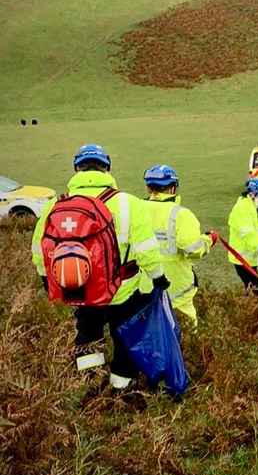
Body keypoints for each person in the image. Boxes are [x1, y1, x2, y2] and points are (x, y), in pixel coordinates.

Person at [31, 144, 165, 391]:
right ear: (107, 169)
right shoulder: (129, 203)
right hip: (122, 290)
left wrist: (45, 278)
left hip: (78, 288)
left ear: (77, 169)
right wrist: (158, 278)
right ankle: (119, 391)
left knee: (88, 334)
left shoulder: (54, 205)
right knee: (124, 339)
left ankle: (88, 386)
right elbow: (147, 249)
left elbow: (40, 249)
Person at [143, 164, 216, 327]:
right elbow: (193, 248)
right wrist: (208, 240)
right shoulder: (181, 214)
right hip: (177, 291)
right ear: (173, 188)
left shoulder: (137, 210)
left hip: (144, 289)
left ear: (149, 188)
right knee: (187, 337)